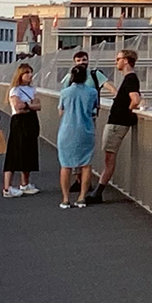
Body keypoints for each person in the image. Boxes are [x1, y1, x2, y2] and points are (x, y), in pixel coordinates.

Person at [55, 57, 102, 209]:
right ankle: (82, 197)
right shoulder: (92, 92)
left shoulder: (65, 93)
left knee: (65, 165)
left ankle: (65, 198)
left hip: (67, 130)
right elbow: (94, 110)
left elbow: (61, 111)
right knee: (86, 164)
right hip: (86, 130)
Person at [96, 47, 142, 199]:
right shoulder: (130, 79)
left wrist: (127, 111)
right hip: (117, 122)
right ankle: (98, 191)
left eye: (118, 59)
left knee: (109, 158)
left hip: (117, 123)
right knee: (108, 157)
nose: (116, 62)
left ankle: (98, 192)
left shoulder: (130, 79)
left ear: (126, 61)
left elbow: (135, 100)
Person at [2, 62, 43, 196]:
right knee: (15, 152)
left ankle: (25, 183)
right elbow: (18, 107)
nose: (30, 75)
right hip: (19, 122)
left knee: (29, 152)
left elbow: (38, 105)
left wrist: (28, 106)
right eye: (27, 73)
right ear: (20, 74)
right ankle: (7, 187)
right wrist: (30, 105)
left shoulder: (32, 89)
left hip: (31, 122)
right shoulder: (15, 90)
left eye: (31, 72)